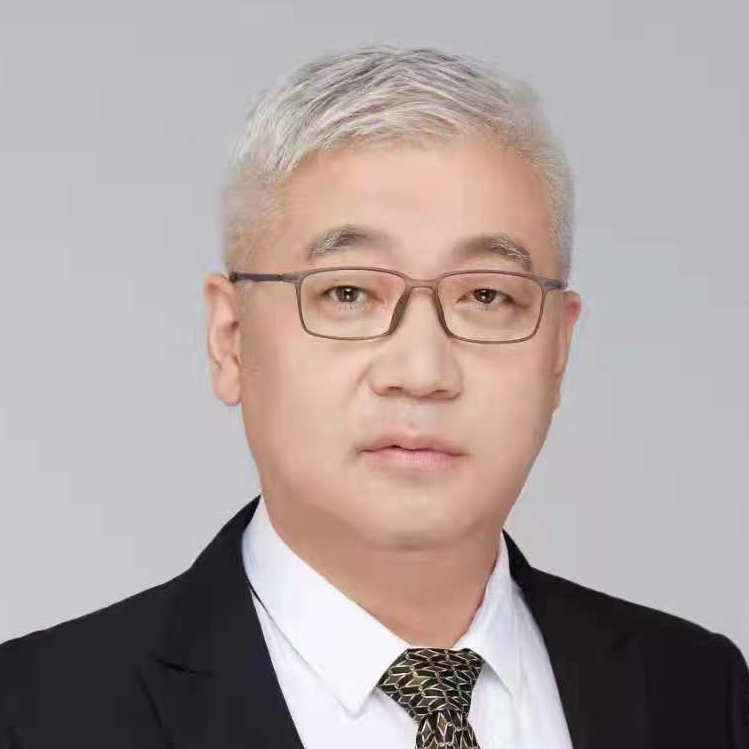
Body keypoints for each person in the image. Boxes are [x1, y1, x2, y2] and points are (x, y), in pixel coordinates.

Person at [1, 42, 747, 749]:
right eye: (348, 293)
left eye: (487, 296)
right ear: (230, 339)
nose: (421, 371)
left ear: (558, 350)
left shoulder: (696, 690)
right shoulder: (35, 714)